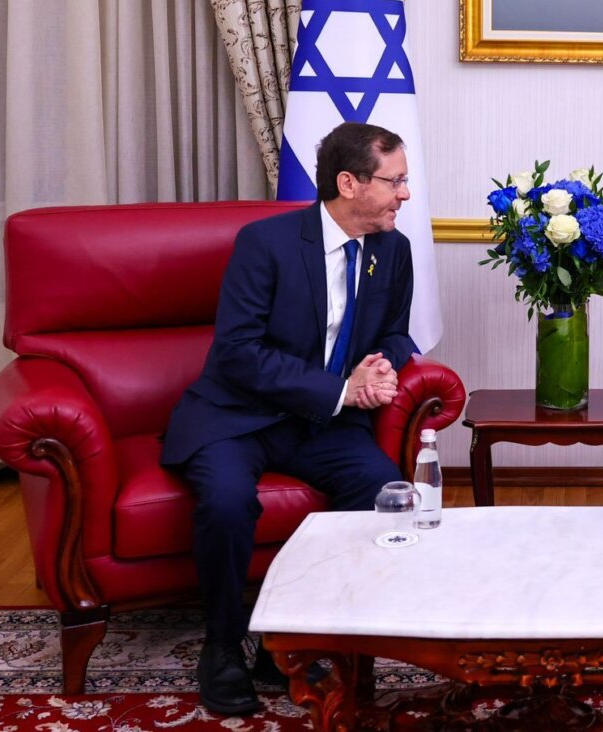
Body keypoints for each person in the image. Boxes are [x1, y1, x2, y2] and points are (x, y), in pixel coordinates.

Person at [161, 122, 416, 715]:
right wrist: (340, 390)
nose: (405, 194)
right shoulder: (266, 243)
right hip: (238, 416)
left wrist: (383, 365)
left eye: (405, 181)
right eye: (394, 181)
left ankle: (296, 636)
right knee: (226, 501)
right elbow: (237, 352)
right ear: (349, 183)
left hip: (322, 425)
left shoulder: (391, 249)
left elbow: (397, 330)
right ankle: (222, 645)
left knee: (385, 492)